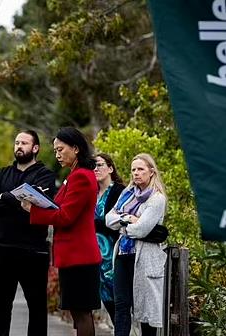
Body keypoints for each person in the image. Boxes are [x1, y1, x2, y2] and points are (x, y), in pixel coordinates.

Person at [21, 127, 101, 336]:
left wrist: (34, 211)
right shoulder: (74, 175)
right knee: (78, 313)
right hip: (73, 257)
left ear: (75, 149)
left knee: (82, 313)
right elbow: (59, 208)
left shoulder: (81, 177)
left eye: (60, 149)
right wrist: (38, 199)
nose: (57, 154)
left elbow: (65, 217)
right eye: (55, 150)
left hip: (80, 256)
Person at [0, 130, 57, 336]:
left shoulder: (46, 175)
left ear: (35, 148)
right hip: (3, 249)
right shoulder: (2, 173)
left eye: (24, 143)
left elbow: (41, 204)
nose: (19, 146)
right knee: (0, 308)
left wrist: (4, 197)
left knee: (36, 308)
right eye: (17, 142)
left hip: (33, 251)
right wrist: (18, 199)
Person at [105, 153, 167, 336]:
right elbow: (109, 219)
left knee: (146, 311)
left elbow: (141, 230)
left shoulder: (156, 199)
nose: (136, 173)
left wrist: (122, 224)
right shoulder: (127, 193)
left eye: (140, 169)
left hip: (145, 257)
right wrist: (129, 218)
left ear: (151, 172)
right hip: (123, 255)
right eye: (133, 170)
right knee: (121, 306)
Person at [93, 153, 125, 325]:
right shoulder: (92, 192)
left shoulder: (119, 191)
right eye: (93, 166)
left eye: (99, 165)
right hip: (95, 254)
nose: (95, 169)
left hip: (114, 252)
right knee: (106, 298)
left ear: (110, 168)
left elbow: (116, 221)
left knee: (119, 301)